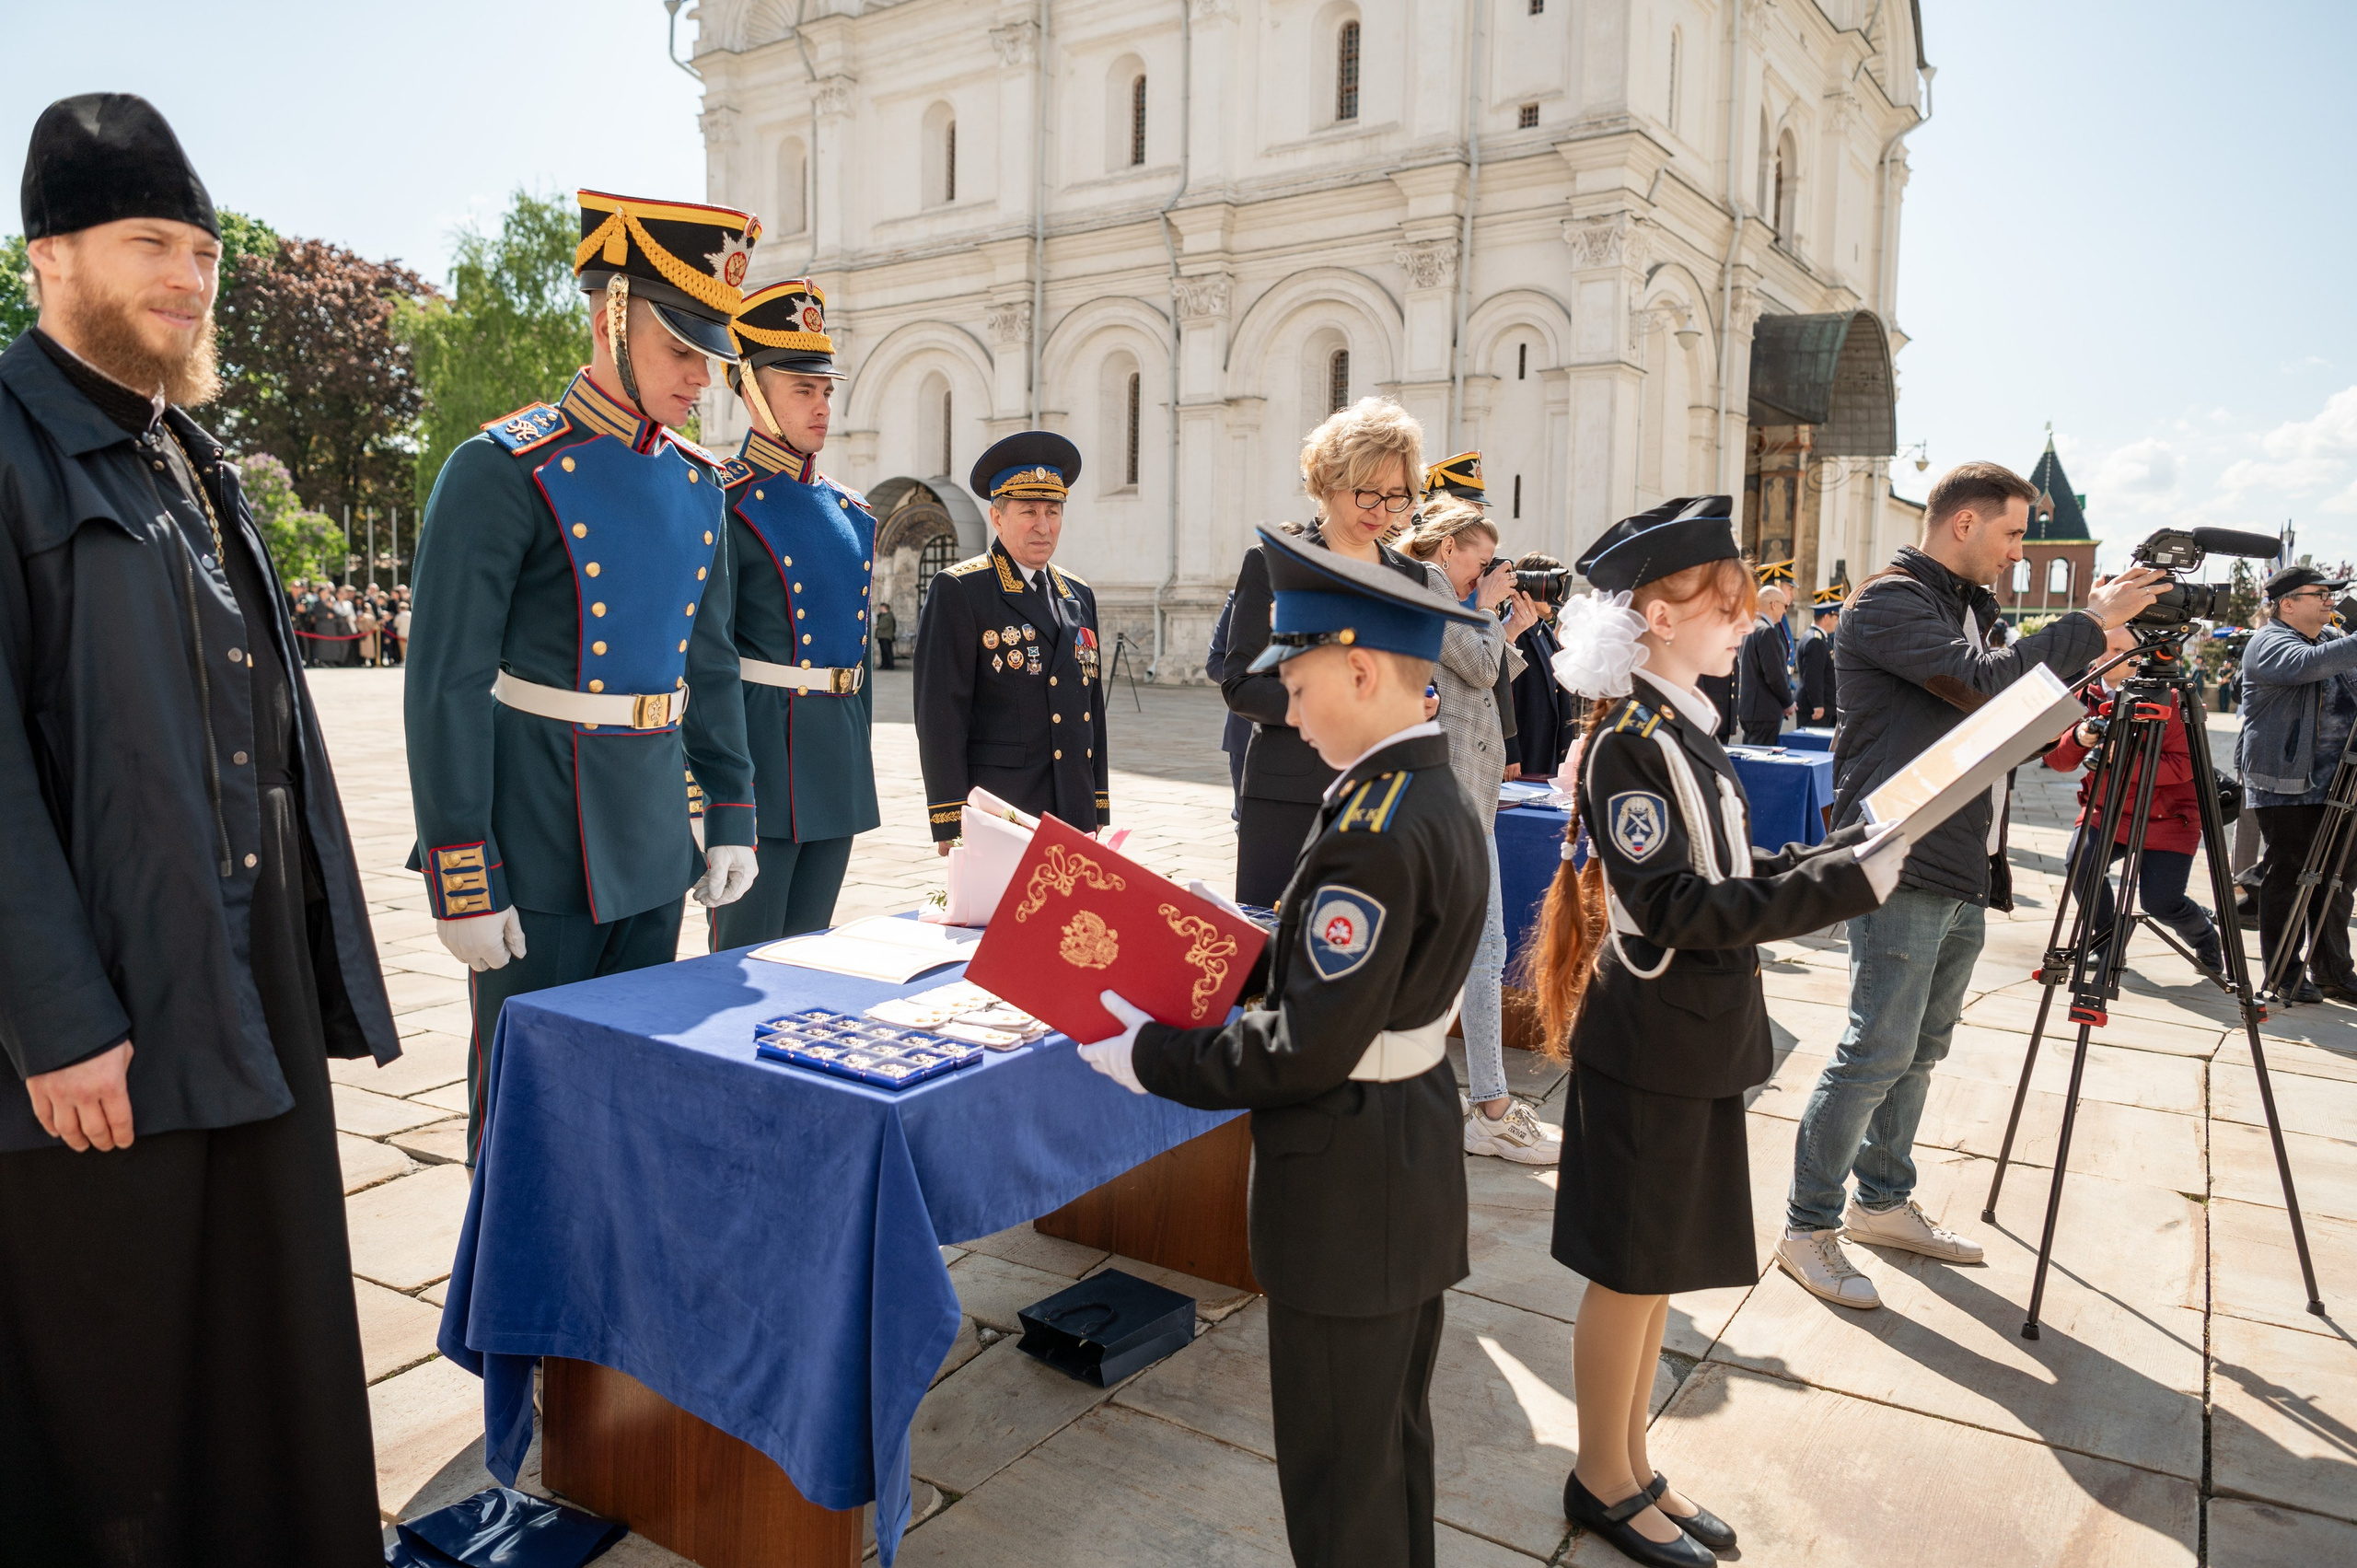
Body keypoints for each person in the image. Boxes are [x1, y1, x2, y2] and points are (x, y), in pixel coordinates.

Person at [0, 92, 399, 1562]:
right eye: (150, 243)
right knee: (111, 1380)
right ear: (49, 258)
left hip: (245, 992)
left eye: (208, 251)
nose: (190, 276)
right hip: (99, 1014)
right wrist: (50, 1014)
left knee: (261, 1333)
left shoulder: (191, 452)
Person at [1078, 525, 1491, 1568]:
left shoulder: (1368, 823)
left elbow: (1301, 1048)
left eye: (1300, 687)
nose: (1290, 712)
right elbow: (1347, 978)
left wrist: (1149, 1055)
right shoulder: (1414, 791)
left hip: (1349, 1190)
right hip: (1403, 1169)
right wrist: (1226, 936)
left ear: (1360, 669)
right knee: (1386, 1450)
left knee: (1338, 1476)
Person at [1528, 495, 1904, 1566]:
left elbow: (1733, 874)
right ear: (1654, 612)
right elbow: (1683, 908)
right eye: (1726, 603)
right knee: (1629, 1267)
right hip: (1651, 1036)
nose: (1746, 620)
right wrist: (1839, 888)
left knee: (1657, 1268)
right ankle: (1601, 1477)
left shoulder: (1684, 725)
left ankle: (1632, 1462)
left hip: (1687, 1032)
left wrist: (1840, 857)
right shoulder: (1632, 744)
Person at [406, 188, 763, 1161]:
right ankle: (501, 1297)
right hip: (540, 829)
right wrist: (461, 873)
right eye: (681, 348)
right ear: (610, 317)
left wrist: (728, 809)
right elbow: (443, 684)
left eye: (711, 356)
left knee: (629, 1085)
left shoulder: (697, 480)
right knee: (528, 1098)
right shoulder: (502, 467)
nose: (702, 377)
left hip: (652, 830)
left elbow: (712, 662)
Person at [1777, 462, 2166, 1308]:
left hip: (1960, 858)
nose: (2018, 555)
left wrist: (2097, 668)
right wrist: (2089, 621)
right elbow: (1983, 688)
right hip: (1902, 856)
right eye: (2014, 533)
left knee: (1920, 1047)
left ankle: (1881, 1203)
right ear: (1963, 524)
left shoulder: (1969, 611)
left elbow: (2000, 730)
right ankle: (1808, 1227)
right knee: (1874, 1046)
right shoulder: (1890, 602)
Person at [707, 276, 880, 944]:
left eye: (826, 390)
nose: (821, 406)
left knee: (810, 957)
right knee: (739, 965)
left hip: (833, 765)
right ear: (750, 389)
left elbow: (856, 658)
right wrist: (710, 796)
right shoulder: (720, 499)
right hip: (758, 768)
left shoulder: (851, 511)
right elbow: (705, 661)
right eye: (801, 389)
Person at [1220, 398, 1431, 906]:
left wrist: (1425, 703)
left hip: (1383, 796)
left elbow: (1419, 678)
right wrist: (1326, 707)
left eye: (1397, 496)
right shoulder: (1275, 561)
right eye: (1366, 494)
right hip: (1290, 796)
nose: (1381, 511)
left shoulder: (1412, 577)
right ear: (1330, 481)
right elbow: (1241, 684)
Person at [1401, 497, 1558, 1164]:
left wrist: (1511, 628)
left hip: (1467, 793)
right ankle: (1485, 1104)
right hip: (1454, 798)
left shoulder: (1447, 593)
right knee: (1480, 948)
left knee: (1472, 948)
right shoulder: (1431, 587)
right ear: (1446, 548)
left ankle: (1469, 1097)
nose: (1489, 569)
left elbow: (1478, 680)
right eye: (1481, 556)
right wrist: (1492, 609)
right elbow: (1478, 665)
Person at [914, 430, 1109, 851]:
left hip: (1072, 809)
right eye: (1028, 511)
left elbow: (1091, 709)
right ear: (997, 517)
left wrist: (1097, 805)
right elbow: (940, 713)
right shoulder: (961, 590)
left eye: (1053, 511)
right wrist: (949, 817)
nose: (1043, 526)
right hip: (1001, 808)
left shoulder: (1078, 593)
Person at [2043, 625, 2224, 975]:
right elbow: (2057, 761)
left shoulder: (2171, 697)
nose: (2112, 657)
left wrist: (2120, 759)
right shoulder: (2083, 694)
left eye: (2122, 650)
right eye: (2106, 648)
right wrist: (2081, 737)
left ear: (2142, 655)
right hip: (2107, 809)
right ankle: (2108, 940)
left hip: (2170, 819)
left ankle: (2204, 936)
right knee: (2081, 863)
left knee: (2161, 903)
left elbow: (2185, 766)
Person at [2238, 563, 2357, 1005]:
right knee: (2290, 875)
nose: (2330, 600)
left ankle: (2333, 972)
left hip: (2340, 785)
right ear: (2288, 603)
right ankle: (2285, 974)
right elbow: (2308, 666)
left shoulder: (2329, 640)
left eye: (2332, 594)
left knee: (2338, 880)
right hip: (2286, 783)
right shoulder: (2268, 642)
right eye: (2320, 594)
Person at [1504, 554, 1578, 781]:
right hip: (1524, 751)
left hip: (1546, 749)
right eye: (1553, 586)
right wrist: (1510, 751)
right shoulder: (1511, 631)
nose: (1558, 596)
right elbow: (1502, 695)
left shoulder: (1544, 631)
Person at [1735, 582, 1794, 744]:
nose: (1784, 611)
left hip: (1750, 710)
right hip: (1764, 712)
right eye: (1784, 606)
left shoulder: (1750, 628)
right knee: (1760, 763)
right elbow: (1774, 676)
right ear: (1774, 605)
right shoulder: (1766, 632)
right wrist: (1788, 702)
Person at [1206, 588, 1250, 806]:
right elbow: (1215, 662)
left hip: (1305, 738)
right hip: (1245, 731)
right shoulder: (1239, 597)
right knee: (1245, 819)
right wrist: (1250, 687)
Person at [1795, 587, 1841, 726]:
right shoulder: (1815, 640)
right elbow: (1813, 676)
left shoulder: (1817, 637)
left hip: (1821, 707)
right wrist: (1818, 704)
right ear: (1826, 617)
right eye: (1836, 618)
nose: (1837, 622)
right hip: (1815, 710)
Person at [875, 598, 898, 669]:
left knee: (887, 651)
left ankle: (890, 665)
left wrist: (877, 626)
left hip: (886, 636)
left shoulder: (888, 616)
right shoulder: (882, 615)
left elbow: (885, 625)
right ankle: (884, 665)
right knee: (883, 652)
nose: (880, 609)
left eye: (881, 608)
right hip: (882, 636)